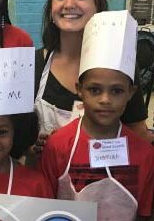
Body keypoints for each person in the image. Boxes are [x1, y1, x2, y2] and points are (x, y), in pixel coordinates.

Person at [34, 0, 152, 150]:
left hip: (103, 179)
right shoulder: (34, 64)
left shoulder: (119, 64)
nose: (69, 4)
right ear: (51, 8)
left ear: (98, 6)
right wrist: (33, 147)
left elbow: (139, 137)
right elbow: (14, 134)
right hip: (44, 178)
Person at [41, 11, 154, 221]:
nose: (105, 99)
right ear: (79, 89)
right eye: (95, 90)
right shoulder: (57, 146)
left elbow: (145, 215)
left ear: (131, 93)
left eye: (117, 91)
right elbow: (46, 211)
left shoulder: (145, 153)